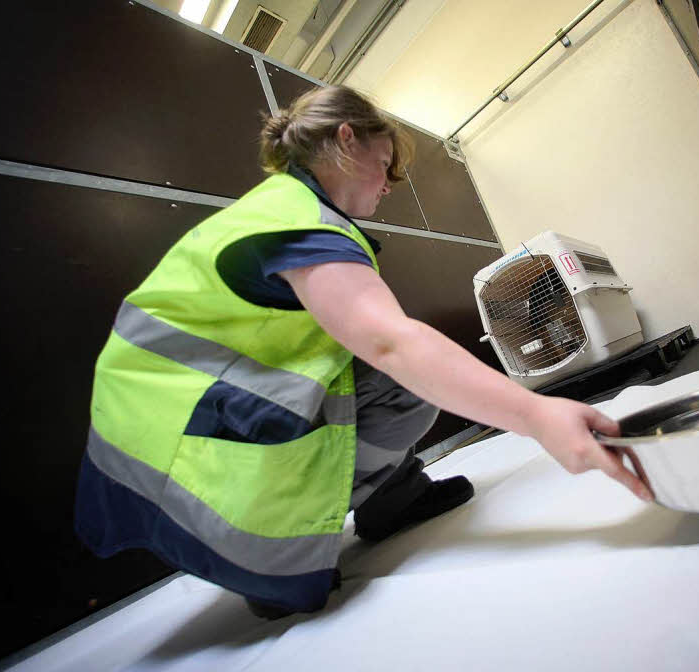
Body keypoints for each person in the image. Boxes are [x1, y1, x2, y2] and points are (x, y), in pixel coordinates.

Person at [75, 85, 652, 620]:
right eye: (385, 164)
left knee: (385, 376)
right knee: (402, 375)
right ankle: (266, 562)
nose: (388, 183)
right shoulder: (297, 221)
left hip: (174, 414)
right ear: (346, 139)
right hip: (170, 438)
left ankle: (390, 499)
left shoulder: (285, 209)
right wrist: (538, 415)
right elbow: (389, 342)